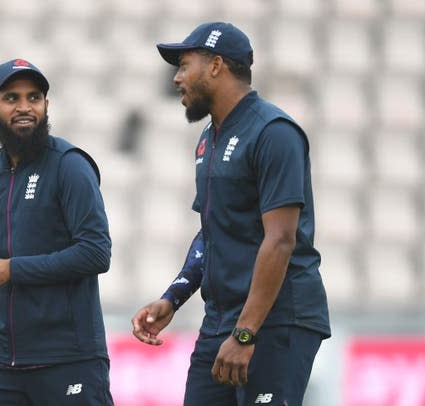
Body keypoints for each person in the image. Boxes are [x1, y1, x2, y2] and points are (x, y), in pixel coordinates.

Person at [131, 22, 331, 405]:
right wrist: (173, 297)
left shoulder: (274, 132)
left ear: (216, 65)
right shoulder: (209, 139)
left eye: (184, 65)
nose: (176, 78)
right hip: (222, 321)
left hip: (275, 320)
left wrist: (246, 334)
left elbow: (281, 239)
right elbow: (212, 232)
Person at [0, 58, 114, 405]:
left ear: (46, 104)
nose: (25, 107)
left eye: (34, 97)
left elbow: (96, 252)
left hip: (67, 357)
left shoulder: (70, 165)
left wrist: (11, 270)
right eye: (11, 98)